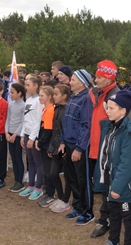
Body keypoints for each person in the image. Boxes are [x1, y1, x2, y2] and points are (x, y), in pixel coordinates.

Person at [93, 89, 131, 245]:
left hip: (123, 182)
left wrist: (117, 187)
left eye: (112, 108)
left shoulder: (129, 132)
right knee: (112, 211)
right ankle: (113, 240)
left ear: (123, 110)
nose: (108, 111)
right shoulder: (110, 127)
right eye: (108, 107)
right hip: (109, 177)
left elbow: (128, 163)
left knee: (127, 216)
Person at [59, 69, 95, 226]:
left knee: (83, 180)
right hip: (68, 144)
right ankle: (78, 207)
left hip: (78, 146)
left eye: (73, 79)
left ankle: (88, 212)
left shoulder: (86, 99)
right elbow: (65, 122)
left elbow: (86, 125)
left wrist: (79, 149)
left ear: (81, 82)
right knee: (72, 178)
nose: (70, 82)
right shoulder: (73, 97)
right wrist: (62, 141)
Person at [90, 60, 121, 238]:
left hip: (106, 148)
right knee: (102, 183)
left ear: (109, 79)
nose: (96, 79)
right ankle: (106, 217)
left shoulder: (114, 96)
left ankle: (106, 219)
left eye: (100, 77)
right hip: (97, 145)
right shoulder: (100, 93)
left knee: (107, 184)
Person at [19, 76, 44, 200]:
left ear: (36, 86)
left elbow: (37, 121)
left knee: (38, 162)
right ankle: (30, 186)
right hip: (27, 134)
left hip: (34, 135)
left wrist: (32, 138)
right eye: (25, 85)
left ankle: (38, 188)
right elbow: (26, 119)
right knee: (30, 161)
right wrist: (23, 135)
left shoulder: (39, 101)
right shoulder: (28, 99)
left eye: (28, 85)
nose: (26, 87)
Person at [49, 84, 73, 213]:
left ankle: (65, 200)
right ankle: (60, 196)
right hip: (56, 146)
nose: (54, 96)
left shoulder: (68, 109)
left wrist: (65, 146)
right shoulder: (57, 108)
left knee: (68, 176)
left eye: (56, 94)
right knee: (53, 173)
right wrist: (52, 147)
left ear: (64, 96)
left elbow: (67, 130)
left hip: (65, 147)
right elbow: (55, 130)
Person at [36, 85, 56, 206]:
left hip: (47, 145)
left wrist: (40, 142)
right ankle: (47, 192)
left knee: (48, 170)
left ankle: (50, 194)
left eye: (42, 95)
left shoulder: (50, 110)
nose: (39, 98)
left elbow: (48, 130)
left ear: (49, 97)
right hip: (45, 144)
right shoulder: (46, 109)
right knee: (45, 169)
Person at [5, 82, 26, 192]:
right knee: (13, 158)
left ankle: (20, 181)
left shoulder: (24, 105)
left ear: (20, 93)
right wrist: (7, 132)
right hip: (10, 134)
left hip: (17, 136)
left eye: (13, 92)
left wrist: (15, 134)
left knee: (18, 158)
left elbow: (23, 122)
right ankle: (15, 180)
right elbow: (7, 119)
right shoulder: (11, 104)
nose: (11, 94)